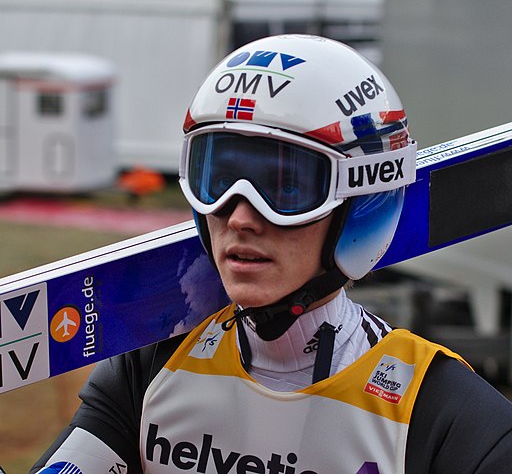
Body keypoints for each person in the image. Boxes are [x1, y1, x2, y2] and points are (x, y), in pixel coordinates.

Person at [31, 35, 512, 474]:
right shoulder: (151, 366)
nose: (240, 217)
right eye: (218, 180)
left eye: (285, 186)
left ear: (361, 202)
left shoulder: (436, 411)